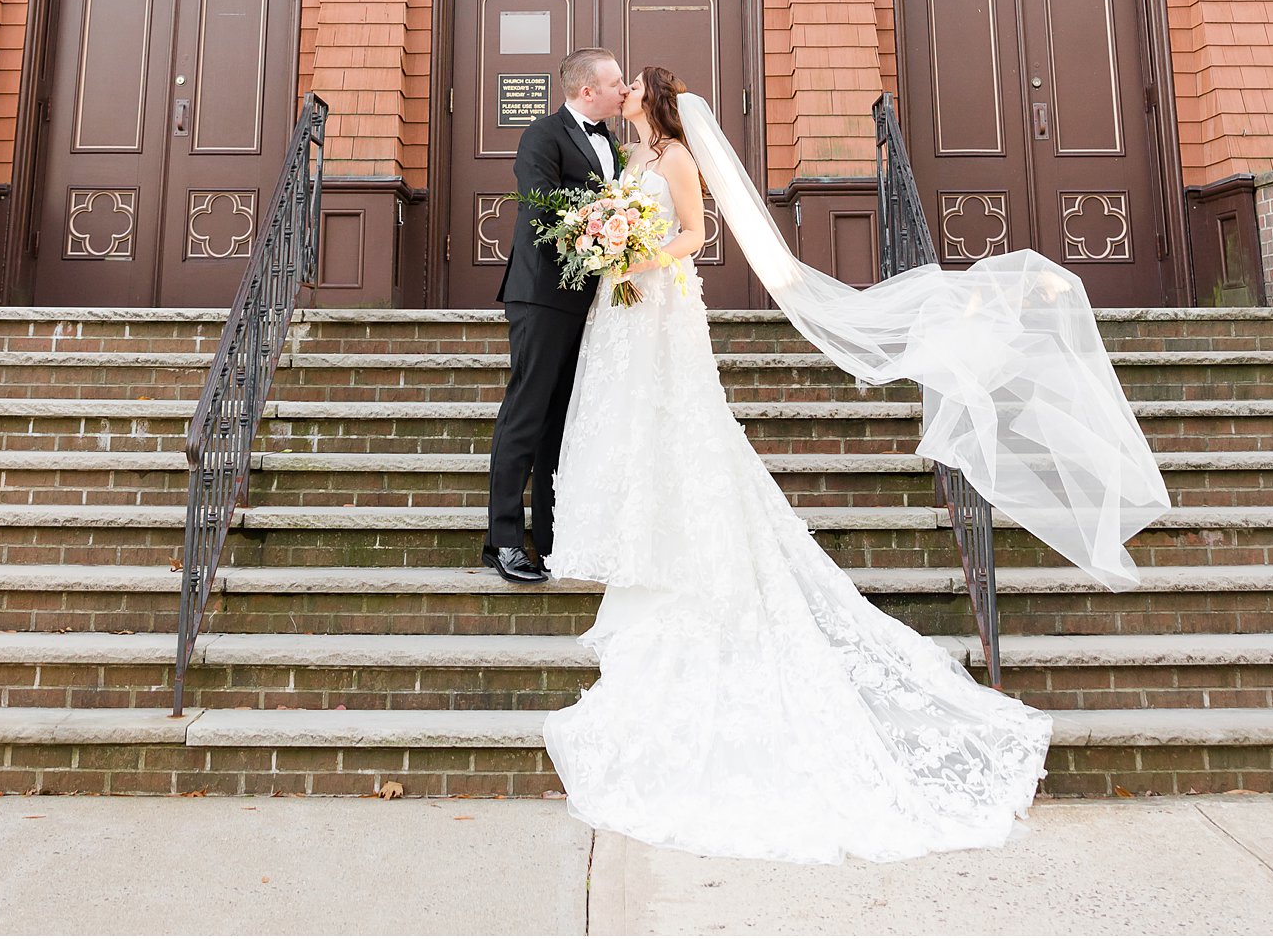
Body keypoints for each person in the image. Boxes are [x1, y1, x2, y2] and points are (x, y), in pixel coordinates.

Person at [542, 65, 1170, 867]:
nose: (622, 89)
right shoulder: (631, 162)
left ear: (650, 100)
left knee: (685, 431)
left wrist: (638, 253)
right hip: (631, 316)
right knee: (642, 431)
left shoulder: (673, 161)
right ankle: (640, 543)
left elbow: (697, 233)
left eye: (631, 84)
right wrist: (612, 243)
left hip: (662, 306)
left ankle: (686, 557)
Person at [482, 47, 627, 584]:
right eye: (615, 83)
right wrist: (615, 212)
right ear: (587, 90)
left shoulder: (610, 139)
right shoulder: (542, 135)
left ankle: (547, 537)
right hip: (541, 293)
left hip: (586, 298)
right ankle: (502, 542)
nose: (623, 90)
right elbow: (542, 201)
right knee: (526, 413)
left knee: (560, 422)